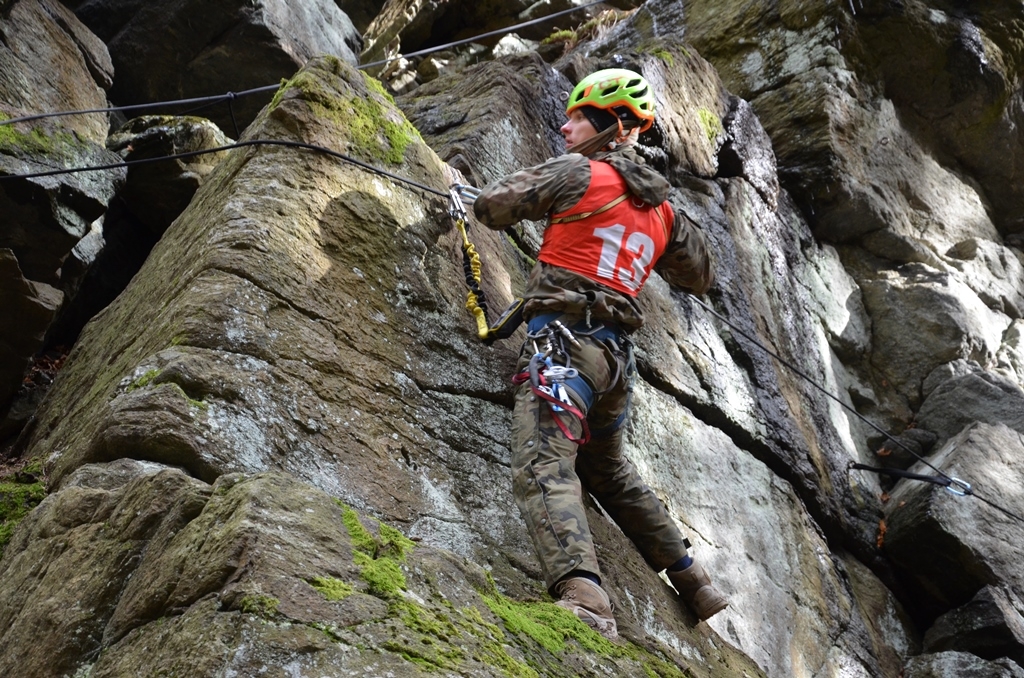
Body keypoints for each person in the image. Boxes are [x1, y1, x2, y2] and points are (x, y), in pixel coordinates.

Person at [472, 68, 728, 640]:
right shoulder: (665, 213)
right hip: (613, 364)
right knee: (606, 469)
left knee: (543, 461)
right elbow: (700, 275)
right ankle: (694, 579)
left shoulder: (579, 172)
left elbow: (492, 206)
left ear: (610, 126)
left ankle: (585, 596)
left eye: (576, 118)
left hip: (564, 350)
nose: (564, 127)